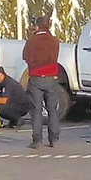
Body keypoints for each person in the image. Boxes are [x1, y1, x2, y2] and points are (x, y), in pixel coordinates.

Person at [23, 15, 61, 149]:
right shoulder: (54, 41)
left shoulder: (31, 41)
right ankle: (54, 139)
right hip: (51, 77)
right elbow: (55, 56)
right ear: (49, 26)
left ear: (37, 26)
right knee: (53, 110)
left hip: (36, 77)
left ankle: (37, 140)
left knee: (36, 109)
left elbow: (25, 57)